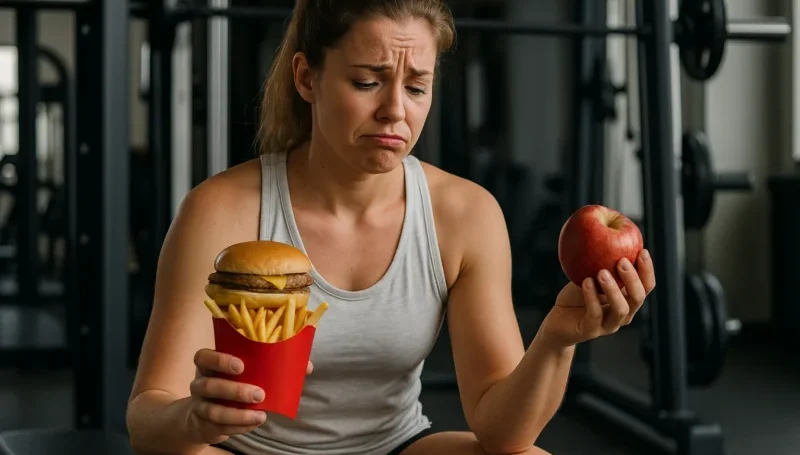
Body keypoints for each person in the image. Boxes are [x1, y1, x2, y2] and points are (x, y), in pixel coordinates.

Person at [125, 1, 656, 454]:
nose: (394, 111)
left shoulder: (466, 214)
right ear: (306, 77)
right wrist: (192, 419)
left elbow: (500, 434)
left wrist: (558, 339)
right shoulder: (220, 211)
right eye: (366, 81)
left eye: (417, 88)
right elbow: (147, 415)